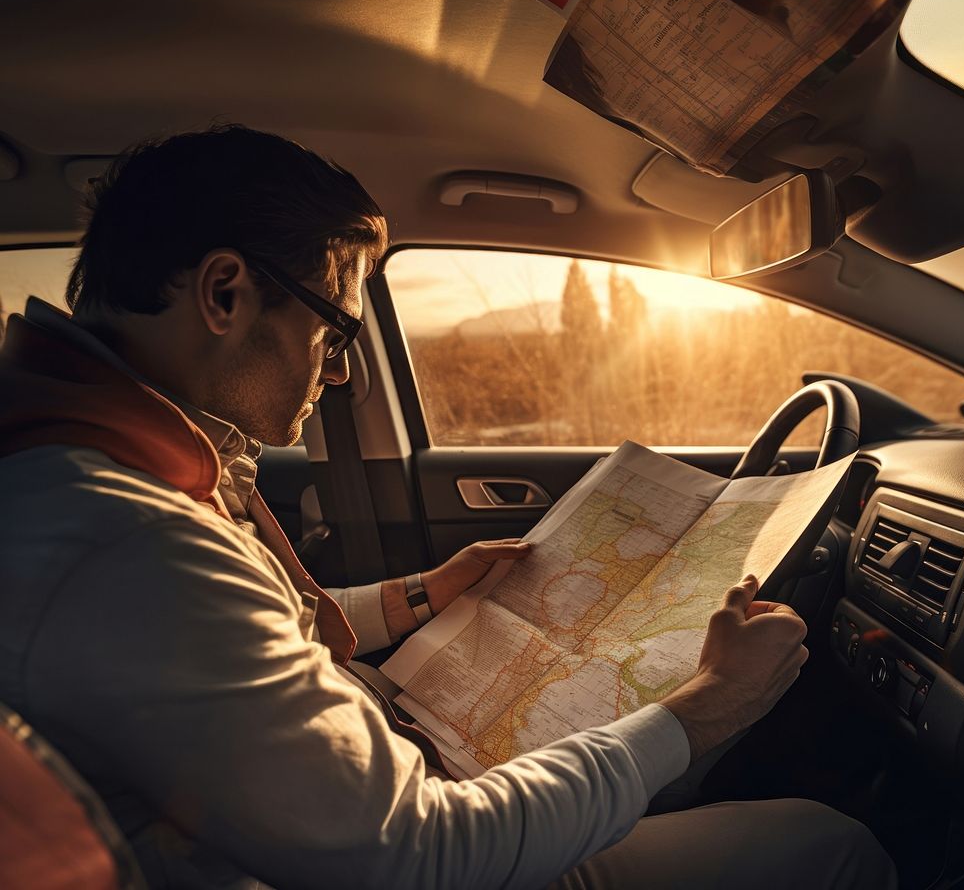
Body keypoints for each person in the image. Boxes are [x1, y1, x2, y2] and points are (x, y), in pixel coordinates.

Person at [0, 124, 895, 889]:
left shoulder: (101, 464)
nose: (341, 370)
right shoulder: (124, 540)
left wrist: (420, 593)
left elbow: (235, 636)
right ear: (226, 293)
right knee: (830, 845)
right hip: (414, 852)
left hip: (350, 806)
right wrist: (705, 706)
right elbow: (424, 855)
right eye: (335, 330)